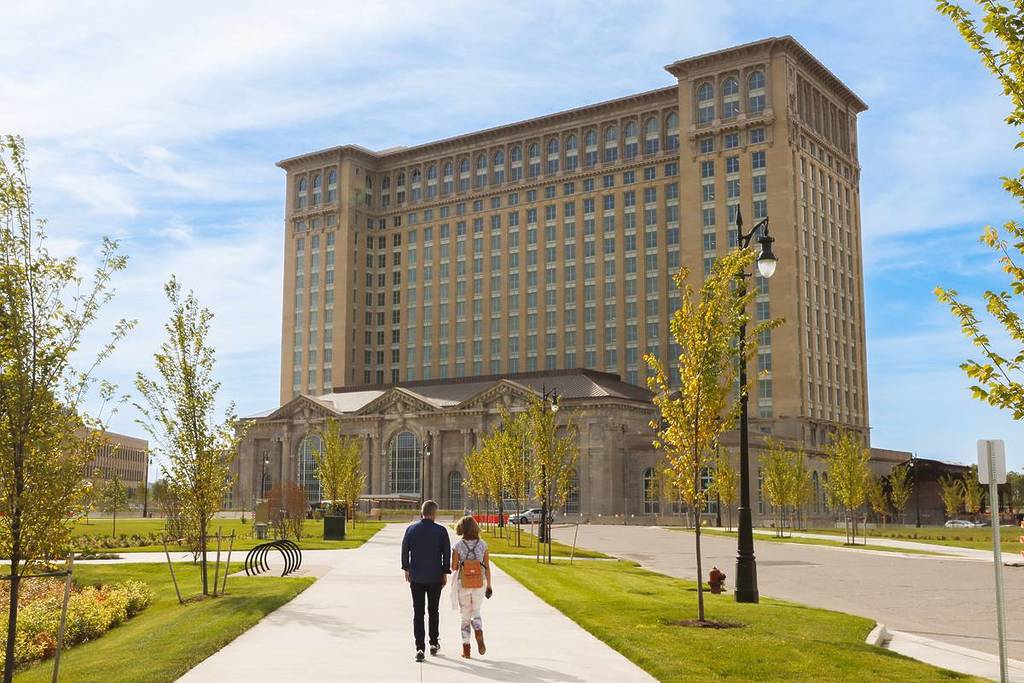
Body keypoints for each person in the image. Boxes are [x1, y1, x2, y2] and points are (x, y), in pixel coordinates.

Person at [401, 500, 451, 662]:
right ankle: (433, 643)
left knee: (418, 612)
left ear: (422, 512)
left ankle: (419, 647)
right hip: (435, 576)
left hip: (416, 576)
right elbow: (446, 553)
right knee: (433, 610)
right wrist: (444, 572)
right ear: (434, 513)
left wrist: (406, 568)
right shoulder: (441, 531)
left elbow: (404, 550)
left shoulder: (411, 529)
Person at [450, 515, 492, 659]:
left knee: (465, 617)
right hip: (480, 583)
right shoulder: (483, 545)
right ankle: (479, 632)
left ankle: (466, 649)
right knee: (477, 611)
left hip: (464, 583)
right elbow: (487, 567)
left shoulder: (458, 545)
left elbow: (454, 567)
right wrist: (489, 586)